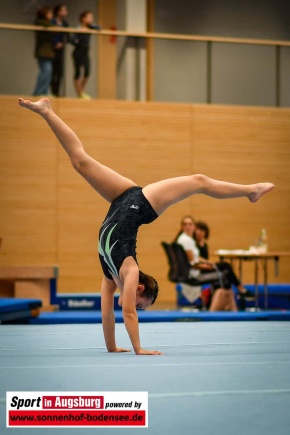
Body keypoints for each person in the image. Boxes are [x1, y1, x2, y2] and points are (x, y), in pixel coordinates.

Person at [18, 97, 274, 354]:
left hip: (120, 198)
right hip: (143, 204)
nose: (135, 305)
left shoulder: (110, 275)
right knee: (199, 181)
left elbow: (107, 313)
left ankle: (47, 111)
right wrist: (139, 349)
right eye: (142, 303)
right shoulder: (129, 272)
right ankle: (251, 190)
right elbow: (127, 312)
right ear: (139, 288)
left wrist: (112, 347)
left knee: (80, 162)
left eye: (141, 306)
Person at [194, 220, 253, 299]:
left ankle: (233, 295)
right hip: (201, 268)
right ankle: (241, 288)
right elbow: (196, 258)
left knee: (227, 271)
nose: (199, 232)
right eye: (197, 230)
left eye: (201, 230)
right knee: (226, 265)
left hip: (207, 267)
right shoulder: (193, 244)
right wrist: (208, 264)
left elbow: (205, 259)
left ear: (205, 232)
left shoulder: (205, 245)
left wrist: (209, 264)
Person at [71, 11, 100, 99]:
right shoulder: (78, 28)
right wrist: (78, 41)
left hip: (85, 52)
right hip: (78, 51)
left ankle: (81, 91)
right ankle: (79, 93)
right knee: (78, 72)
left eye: (92, 17)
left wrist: (92, 26)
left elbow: (99, 28)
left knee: (87, 71)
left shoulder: (90, 27)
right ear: (83, 18)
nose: (91, 19)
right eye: (89, 17)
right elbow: (72, 40)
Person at [33, 7, 55, 96]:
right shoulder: (41, 23)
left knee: (48, 72)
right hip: (43, 51)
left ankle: (44, 91)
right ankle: (38, 92)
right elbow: (49, 27)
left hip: (48, 52)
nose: (51, 16)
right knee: (46, 70)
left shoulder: (49, 24)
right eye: (49, 14)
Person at [51, 4, 69, 97]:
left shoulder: (65, 24)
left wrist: (62, 43)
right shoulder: (52, 21)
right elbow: (49, 35)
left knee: (60, 72)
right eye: (63, 10)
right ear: (58, 12)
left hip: (61, 50)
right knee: (52, 71)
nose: (65, 12)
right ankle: (52, 91)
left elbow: (68, 37)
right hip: (51, 49)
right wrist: (55, 43)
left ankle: (57, 92)